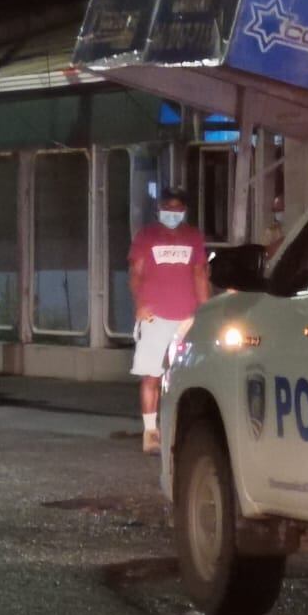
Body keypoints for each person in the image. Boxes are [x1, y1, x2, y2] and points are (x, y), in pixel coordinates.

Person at [128, 186, 210, 454]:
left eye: (177, 209)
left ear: (184, 211)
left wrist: (205, 310)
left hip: (186, 319)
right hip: (154, 317)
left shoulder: (193, 237)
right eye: (168, 208)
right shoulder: (146, 237)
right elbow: (136, 274)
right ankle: (151, 433)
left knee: (183, 378)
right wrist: (140, 305)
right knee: (151, 376)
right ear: (159, 209)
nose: (172, 214)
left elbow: (199, 275)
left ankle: (177, 432)